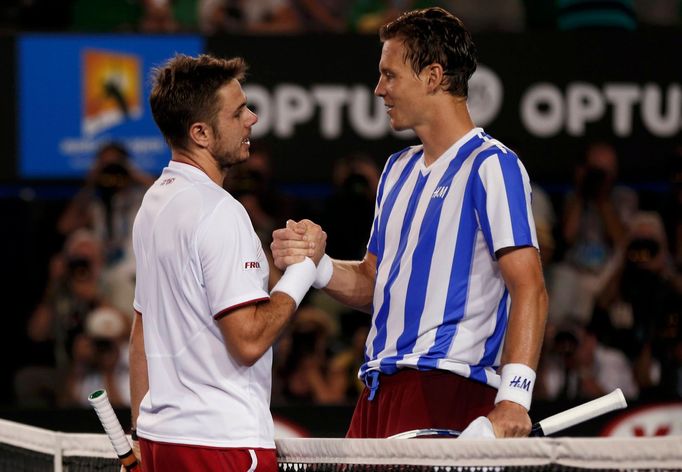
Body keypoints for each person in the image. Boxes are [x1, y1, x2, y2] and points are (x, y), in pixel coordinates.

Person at [272, 7, 548, 438]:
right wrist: (317, 263)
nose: (379, 89)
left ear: (433, 76)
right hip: (377, 391)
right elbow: (373, 282)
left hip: (445, 388)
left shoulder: (492, 165)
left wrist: (514, 398)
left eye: (390, 75)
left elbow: (528, 285)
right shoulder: (396, 170)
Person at [128, 54, 325, 472]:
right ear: (200, 132)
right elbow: (249, 340)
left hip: (162, 440)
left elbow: (141, 331)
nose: (252, 118)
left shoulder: (153, 204)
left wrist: (139, 435)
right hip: (222, 446)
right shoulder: (220, 211)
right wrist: (305, 268)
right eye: (238, 112)